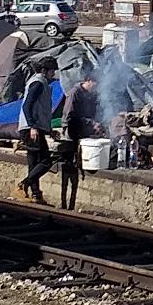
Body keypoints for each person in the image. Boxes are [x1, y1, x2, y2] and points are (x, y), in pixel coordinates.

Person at [55, 72, 105, 210]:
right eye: (95, 84)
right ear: (88, 81)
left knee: (75, 168)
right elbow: (70, 117)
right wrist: (90, 123)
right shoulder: (75, 93)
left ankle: (71, 203)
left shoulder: (89, 95)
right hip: (70, 133)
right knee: (69, 167)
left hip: (80, 132)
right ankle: (64, 201)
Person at [14, 56, 60, 204]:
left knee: (34, 163)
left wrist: (48, 130)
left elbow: (40, 109)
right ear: (44, 70)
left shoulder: (40, 83)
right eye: (52, 71)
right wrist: (33, 126)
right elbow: (28, 105)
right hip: (31, 129)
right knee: (46, 161)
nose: (54, 74)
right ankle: (23, 184)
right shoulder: (38, 83)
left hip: (33, 127)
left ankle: (35, 195)